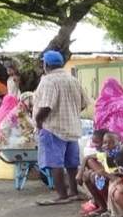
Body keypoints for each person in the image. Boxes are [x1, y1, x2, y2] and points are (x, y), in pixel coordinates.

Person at [33, 50, 92, 205]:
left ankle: (62, 195)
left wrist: (39, 122)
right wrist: (71, 113)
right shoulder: (72, 79)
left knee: (55, 163)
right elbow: (84, 103)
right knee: (72, 163)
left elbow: (46, 106)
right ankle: (73, 192)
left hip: (53, 128)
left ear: (46, 64)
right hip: (72, 127)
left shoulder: (48, 81)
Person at [77, 130, 120, 217]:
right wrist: (80, 173)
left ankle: (108, 208)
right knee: (88, 174)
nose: (94, 145)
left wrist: (100, 173)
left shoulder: (117, 152)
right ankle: (102, 206)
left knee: (94, 177)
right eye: (105, 143)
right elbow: (87, 158)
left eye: (97, 142)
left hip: (115, 179)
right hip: (108, 176)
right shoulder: (105, 153)